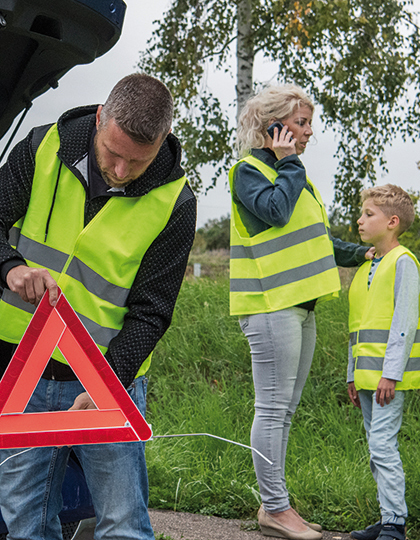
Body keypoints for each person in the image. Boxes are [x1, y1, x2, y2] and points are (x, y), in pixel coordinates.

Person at [0, 73, 196, 540]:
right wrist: (10, 267)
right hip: (22, 370)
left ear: (163, 139)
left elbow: (153, 310)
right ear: (100, 119)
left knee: (124, 525)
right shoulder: (40, 149)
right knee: (25, 527)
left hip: (104, 379)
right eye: (114, 154)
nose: (122, 171)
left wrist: (110, 381)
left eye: (138, 160)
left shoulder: (175, 203)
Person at [229, 84, 374, 540]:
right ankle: (275, 509)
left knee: (285, 410)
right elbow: (274, 212)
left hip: (301, 307)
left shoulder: (297, 176)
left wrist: (363, 253)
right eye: (301, 123)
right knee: (272, 409)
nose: (309, 132)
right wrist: (288, 162)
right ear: (273, 126)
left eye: (309, 123)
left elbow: (319, 242)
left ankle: (277, 506)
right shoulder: (248, 172)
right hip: (271, 305)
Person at [347, 185, 420, 540]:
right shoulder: (367, 268)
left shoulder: (403, 262)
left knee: (382, 446)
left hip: (387, 381)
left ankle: (395, 524)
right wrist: (351, 374)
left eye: (368, 214)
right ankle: (387, 516)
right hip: (365, 379)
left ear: (392, 222)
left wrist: (391, 374)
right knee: (376, 448)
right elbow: (357, 327)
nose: (360, 220)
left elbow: (404, 323)